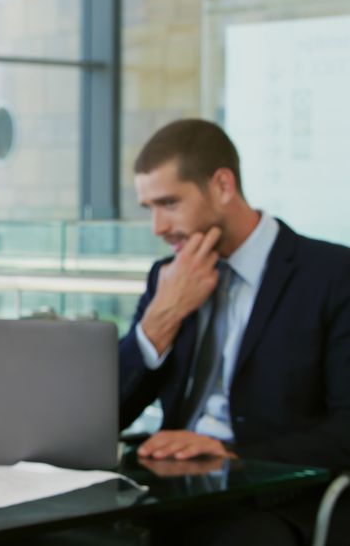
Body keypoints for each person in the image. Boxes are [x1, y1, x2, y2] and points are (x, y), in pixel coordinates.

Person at [119, 118, 350, 545]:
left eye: (169, 203)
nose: (158, 227)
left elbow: (346, 428)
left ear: (223, 185)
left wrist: (232, 454)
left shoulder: (332, 276)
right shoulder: (167, 277)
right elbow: (108, 413)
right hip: (171, 491)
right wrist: (159, 322)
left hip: (278, 502)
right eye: (148, 208)